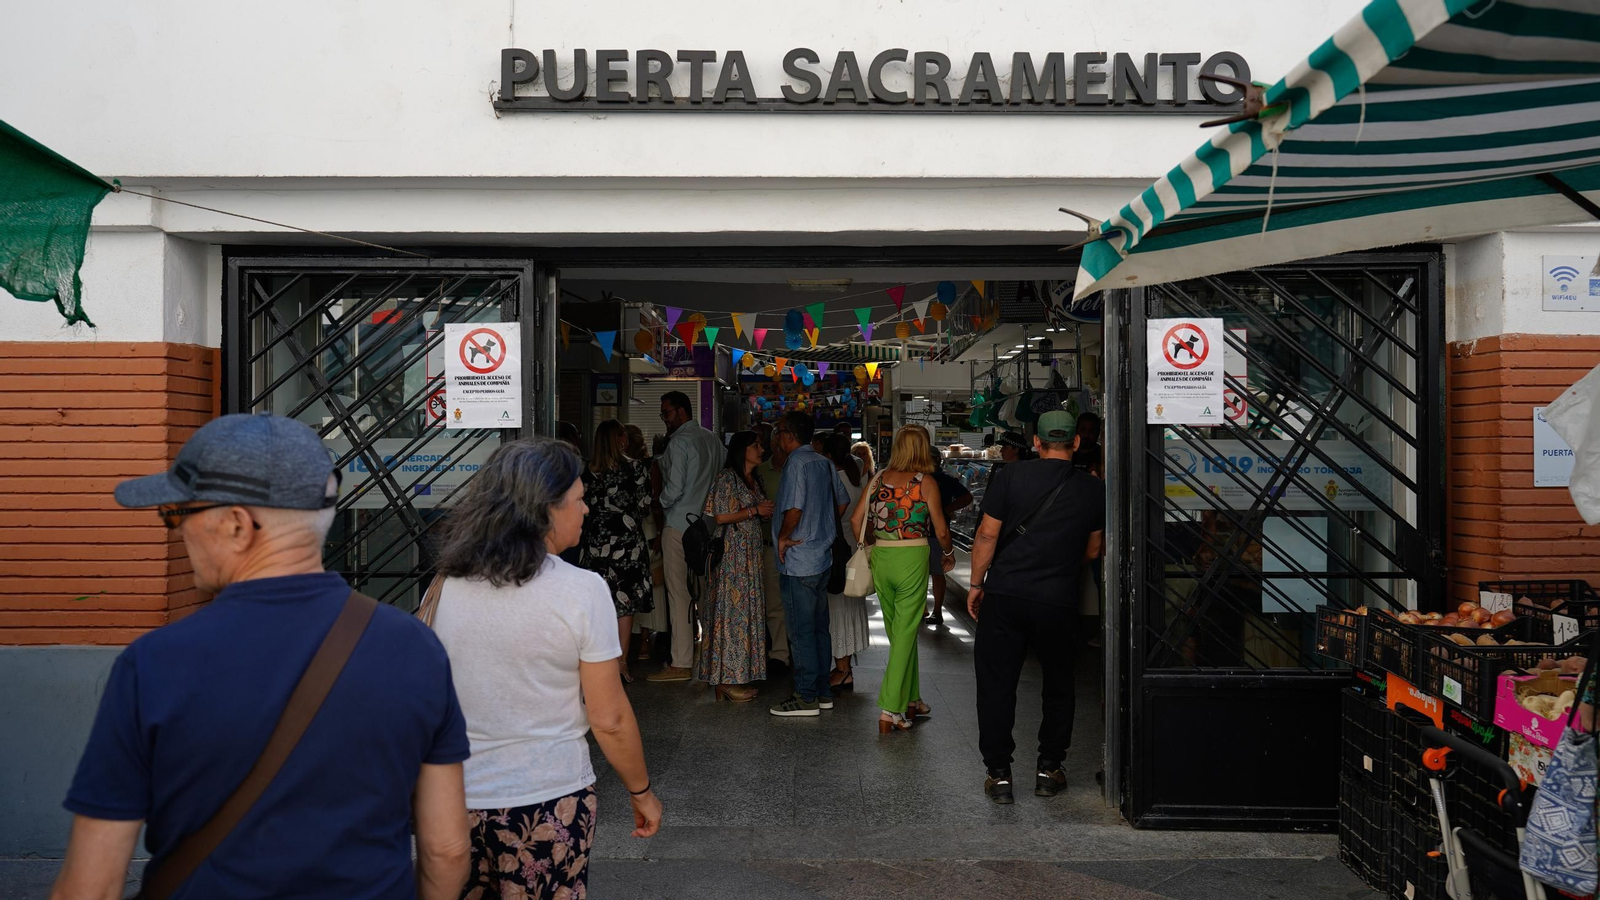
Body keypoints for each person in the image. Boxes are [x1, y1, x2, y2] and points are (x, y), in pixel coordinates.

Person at [54, 412, 472, 900]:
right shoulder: (415, 648)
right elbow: (446, 850)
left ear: (236, 525)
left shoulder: (154, 664)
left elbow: (91, 887)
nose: (176, 532)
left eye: (177, 514)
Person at [430, 438, 663, 898]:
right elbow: (609, 717)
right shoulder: (582, 590)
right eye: (579, 500)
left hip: (451, 801)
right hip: (546, 802)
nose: (587, 511)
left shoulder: (445, 582)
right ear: (547, 509)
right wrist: (641, 792)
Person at [965, 410, 1105, 805]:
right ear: (1076, 443)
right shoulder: (1093, 489)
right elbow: (1094, 549)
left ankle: (999, 775)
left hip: (1006, 596)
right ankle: (1049, 768)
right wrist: (1056, 567)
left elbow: (986, 536)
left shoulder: (1007, 477)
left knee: (996, 684)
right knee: (1059, 685)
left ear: (1037, 443)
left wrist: (977, 584)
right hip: (1057, 600)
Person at [851, 425, 953, 734]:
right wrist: (948, 553)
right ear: (923, 449)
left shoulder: (879, 478)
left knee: (900, 633)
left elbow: (857, 519)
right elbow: (941, 529)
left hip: (882, 556)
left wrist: (870, 545)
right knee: (906, 632)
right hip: (912, 557)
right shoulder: (926, 482)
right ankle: (889, 709)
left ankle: (912, 698)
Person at [769, 411, 850, 717]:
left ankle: (805, 697)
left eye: (779, 432)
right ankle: (823, 692)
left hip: (799, 561)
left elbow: (794, 508)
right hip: (823, 557)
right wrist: (824, 527)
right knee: (819, 629)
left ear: (790, 435)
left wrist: (784, 537)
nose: (777, 437)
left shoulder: (795, 464)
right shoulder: (823, 462)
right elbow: (842, 502)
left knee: (800, 631)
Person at [649, 390, 723, 683]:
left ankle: (681, 662)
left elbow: (674, 488)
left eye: (666, 413)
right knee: (707, 592)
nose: (665, 419)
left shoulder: (679, 442)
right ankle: (710, 654)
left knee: (678, 593)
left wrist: (659, 502)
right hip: (708, 526)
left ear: (680, 412)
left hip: (679, 523)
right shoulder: (713, 439)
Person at [697, 431, 776, 701]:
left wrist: (763, 510)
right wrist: (755, 511)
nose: (761, 448)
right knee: (731, 614)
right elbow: (720, 516)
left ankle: (738, 675)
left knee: (746, 614)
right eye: (755, 445)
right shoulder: (727, 477)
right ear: (741, 449)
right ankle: (725, 679)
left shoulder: (754, 479)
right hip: (732, 557)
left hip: (750, 557)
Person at [580, 418, 654, 683]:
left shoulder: (587, 471)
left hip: (597, 542)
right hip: (627, 541)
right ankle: (621, 661)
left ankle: (600, 661)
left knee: (599, 603)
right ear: (621, 438)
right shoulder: (636, 469)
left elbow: (582, 506)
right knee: (625, 602)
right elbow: (645, 505)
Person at [823, 433, 870, 692]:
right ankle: (846, 667)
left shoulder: (834, 479)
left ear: (828, 456)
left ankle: (842, 671)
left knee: (837, 610)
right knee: (850, 609)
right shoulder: (859, 476)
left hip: (837, 551)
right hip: (854, 550)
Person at [921, 428, 974, 627]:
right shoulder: (924, 478)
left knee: (934, 573)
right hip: (927, 533)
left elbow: (967, 497)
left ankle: (934, 610)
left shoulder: (942, 480)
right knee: (932, 574)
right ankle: (928, 610)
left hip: (933, 533)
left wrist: (945, 508)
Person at [754, 437, 792, 672]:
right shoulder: (759, 472)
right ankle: (779, 653)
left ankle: (791, 650)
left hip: (796, 546)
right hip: (767, 545)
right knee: (773, 604)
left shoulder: (798, 468)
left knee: (794, 602)